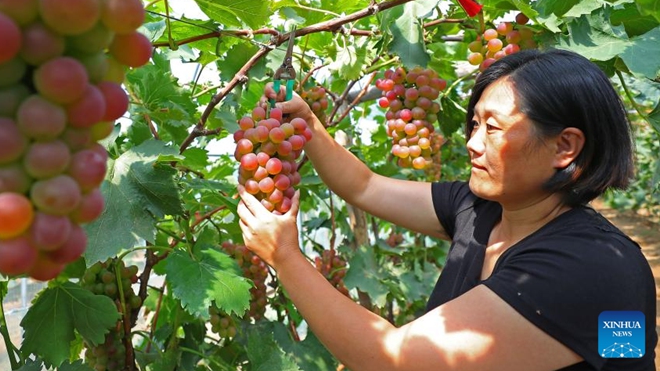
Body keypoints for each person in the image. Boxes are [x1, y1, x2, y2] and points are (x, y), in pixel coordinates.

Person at [237, 48, 657, 370]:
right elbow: (364, 186)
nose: (472, 143)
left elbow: (390, 360)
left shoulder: (593, 268)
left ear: (564, 147)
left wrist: (286, 258)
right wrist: (307, 125)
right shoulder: (481, 210)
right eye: (474, 124)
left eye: (492, 128)